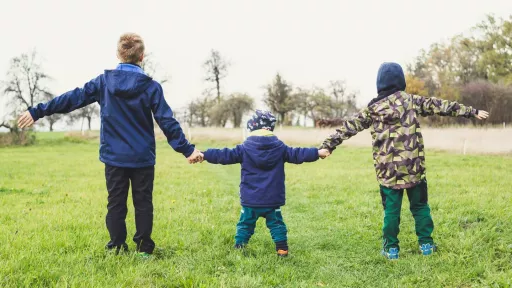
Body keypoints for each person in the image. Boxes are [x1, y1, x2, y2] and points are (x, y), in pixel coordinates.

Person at [17, 32, 203, 258]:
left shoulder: (104, 83)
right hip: (142, 158)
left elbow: (71, 99)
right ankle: (144, 249)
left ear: (118, 54)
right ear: (142, 56)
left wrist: (37, 111)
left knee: (115, 203)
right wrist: (187, 150)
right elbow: (167, 121)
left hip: (114, 158)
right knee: (143, 202)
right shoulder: (151, 87)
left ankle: (116, 246)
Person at [319, 62, 489, 260]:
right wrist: (471, 112)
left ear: (379, 83)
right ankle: (426, 244)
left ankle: (391, 249)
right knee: (420, 207)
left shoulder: (372, 109)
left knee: (391, 211)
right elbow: (439, 105)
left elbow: (348, 127)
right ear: (401, 81)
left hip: (388, 172)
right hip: (413, 168)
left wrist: (328, 145)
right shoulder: (410, 101)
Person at [198, 110, 330, 257]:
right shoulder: (280, 148)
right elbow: (298, 153)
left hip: (250, 200)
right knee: (276, 225)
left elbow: (224, 155)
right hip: (272, 199)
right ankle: (282, 249)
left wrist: (205, 154)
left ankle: (239, 247)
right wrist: (317, 153)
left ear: (251, 128)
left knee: (245, 224)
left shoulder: (244, 148)